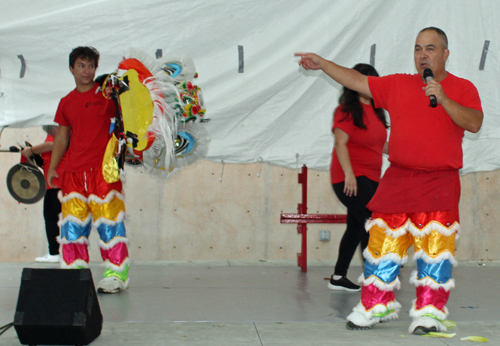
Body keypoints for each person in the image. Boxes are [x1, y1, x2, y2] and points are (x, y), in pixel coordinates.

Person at [296, 27, 483, 334]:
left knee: (434, 250)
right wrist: (323, 63)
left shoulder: (462, 88)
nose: (422, 54)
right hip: (398, 179)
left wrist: (443, 98)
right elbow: (356, 81)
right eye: (418, 48)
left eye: (430, 49)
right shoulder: (397, 84)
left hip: (440, 182)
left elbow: (474, 122)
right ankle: (374, 306)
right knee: (382, 246)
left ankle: (429, 313)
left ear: (445, 54)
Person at [47, 46, 130, 294]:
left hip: (104, 173)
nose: (87, 71)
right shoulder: (66, 102)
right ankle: (74, 274)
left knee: (110, 226)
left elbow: (130, 121)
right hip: (73, 174)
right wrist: (53, 168)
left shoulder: (108, 95)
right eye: (81, 65)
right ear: (71, 68)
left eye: (91, 65)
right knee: (72, 228)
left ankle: (116, 275)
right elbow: (62, 137)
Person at [328, 63, 388, 292]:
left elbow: (381, 146)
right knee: (370, 223)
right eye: (363, 80)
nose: (368, 86)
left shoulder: (377, 111)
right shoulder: (346, 110)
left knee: (356, 227)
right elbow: (340, 144)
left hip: (372, 177)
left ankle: (338, 276)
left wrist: (412, 153)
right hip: (350, 178)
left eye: (373, 81)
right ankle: (373, 278)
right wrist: (349, 175)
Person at [21, 125, 62, 263]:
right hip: (55, 185)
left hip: (58, 184)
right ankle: (57, 252)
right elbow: (46, 160)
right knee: (56, 219)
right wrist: (33, 155)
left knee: (51, 219)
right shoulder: (55, 135)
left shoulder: (58, 135)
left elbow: (51, 145)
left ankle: (54, 253)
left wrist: (31, 150)